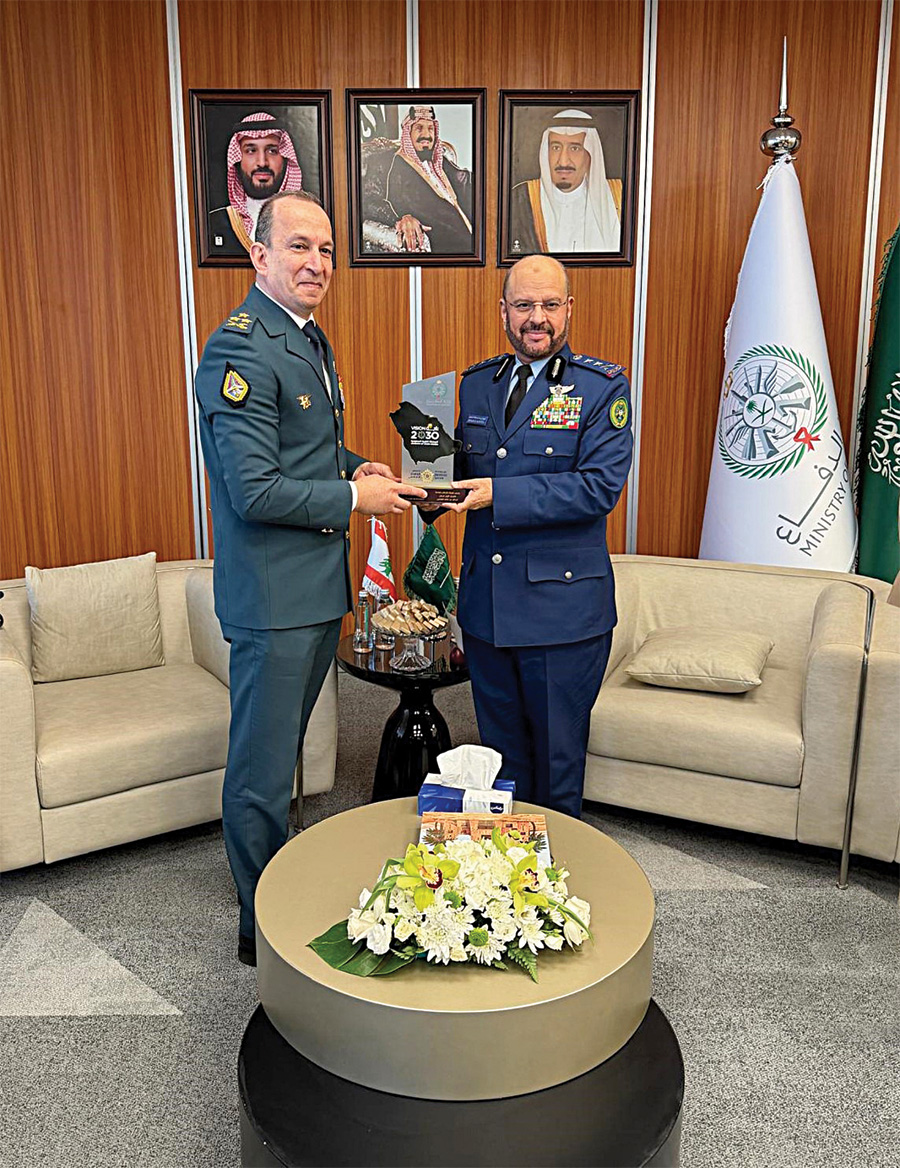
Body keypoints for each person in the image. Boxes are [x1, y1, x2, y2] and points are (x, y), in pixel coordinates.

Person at [194, 191, 425, 965]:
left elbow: (305, 452)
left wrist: (356, 466)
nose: (317, 262)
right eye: (299, 246)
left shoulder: (306, 338)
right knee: (260, 770)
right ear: (259, 254)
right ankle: (258, 925)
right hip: (273, 600)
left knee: (284, 749)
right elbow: (255, 491)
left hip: (314, 592)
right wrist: (355, 500)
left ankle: (279, 884)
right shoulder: (239, 351)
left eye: (326, 249)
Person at [431, 254, 633, 818]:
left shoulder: (601, 388)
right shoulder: (477, 385)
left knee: (556, 764)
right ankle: (507, 869)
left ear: (569, 309)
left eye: (549, 304)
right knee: (502, 763)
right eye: (523, 305)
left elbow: (597, 489)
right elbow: (459, 475)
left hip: (560, 616)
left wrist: (499, 495)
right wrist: (420, 482)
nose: (536, 318)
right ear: (504, 311)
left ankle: (558, 868)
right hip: (487, 610)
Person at [508, 109, 621, 255]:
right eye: (555, 148)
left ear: (590, 154)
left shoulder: (618, 198)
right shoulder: (520, 199)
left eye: (575, 148)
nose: (563, 161)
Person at [371, 105, 474, 254]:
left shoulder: (441, 161)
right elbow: (373, 201)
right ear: (408, 133)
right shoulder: (396, 166)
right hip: (447, 248)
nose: (426, 135)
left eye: (430, 129)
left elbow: (465, 181)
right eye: (419, 128)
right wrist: (402, 218)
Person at [208, 111, 304, 253]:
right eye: (251, 151)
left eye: (272, 151)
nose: (262, 162)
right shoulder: (214, 223)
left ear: (285, 158)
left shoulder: (308, 218)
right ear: (238, 159)